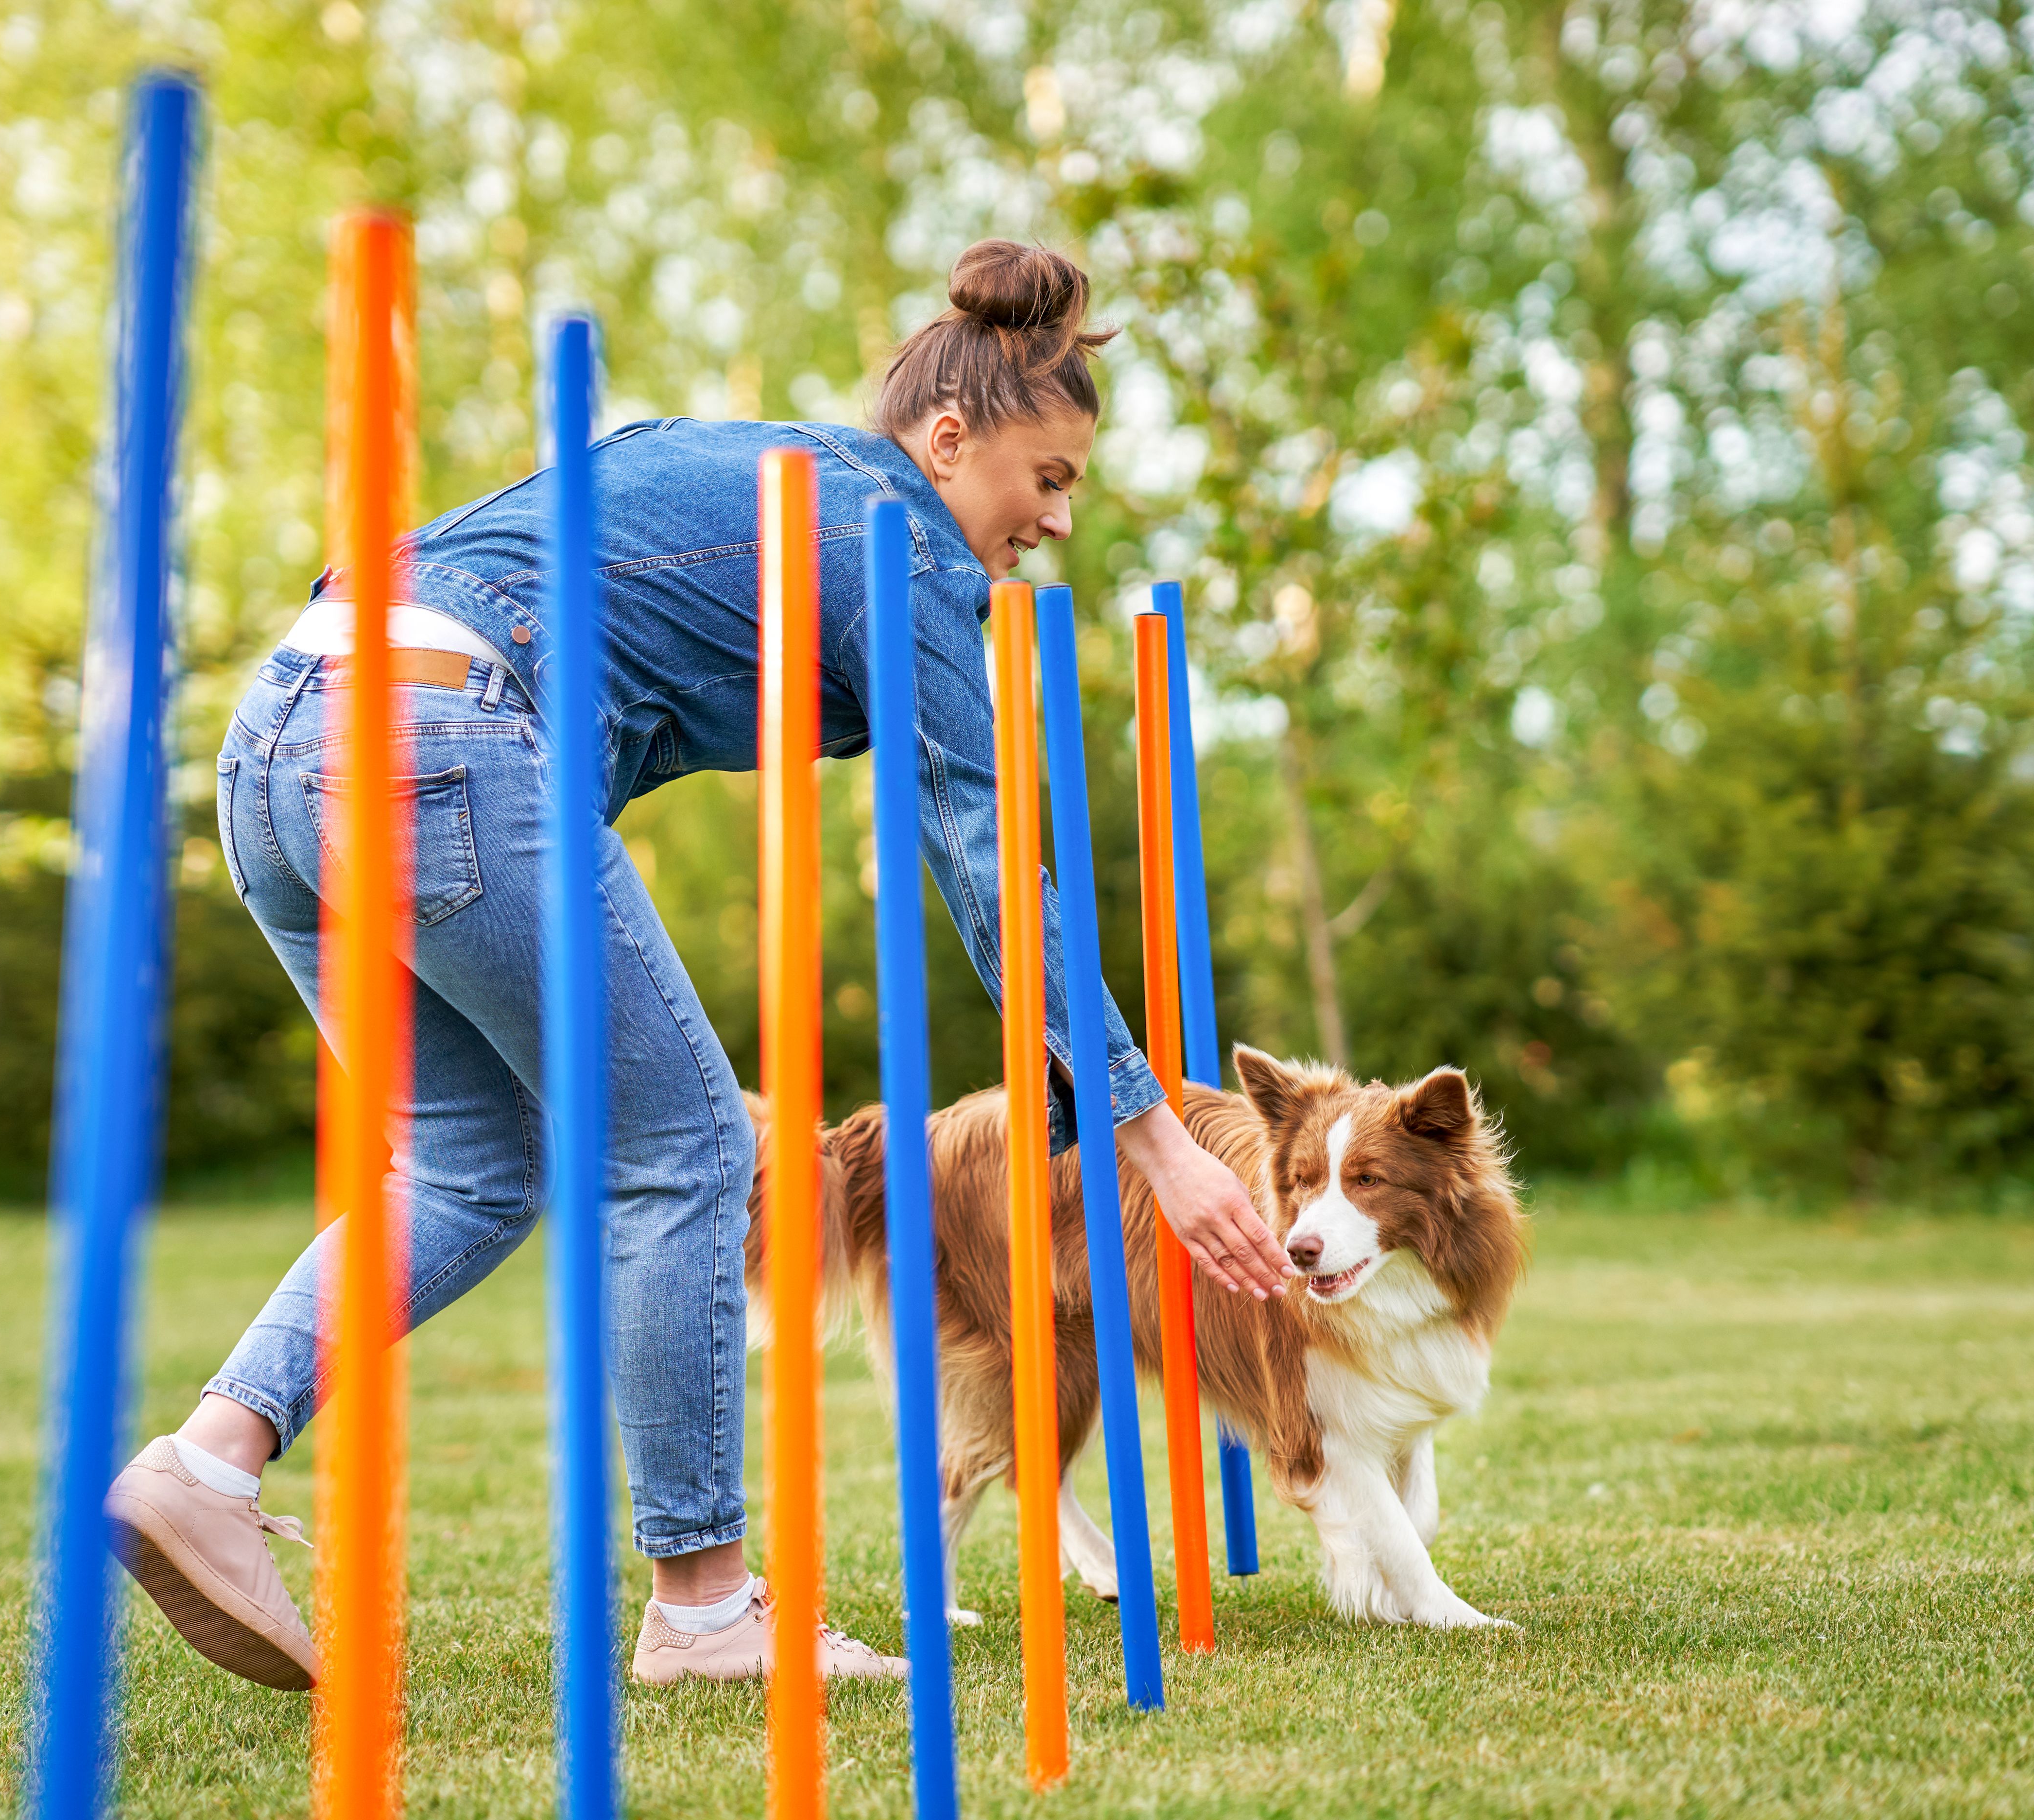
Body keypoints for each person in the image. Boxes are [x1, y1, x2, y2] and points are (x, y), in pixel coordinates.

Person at [104, 239, 1293, 1693]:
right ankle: (704, 1602)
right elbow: (987, 859)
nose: (1053, 520)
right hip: (435, 741)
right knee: (679, 1150)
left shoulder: (729, 458)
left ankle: (205, 1464)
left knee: (469, 1167)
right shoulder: (889, 533)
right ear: (946, 439)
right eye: (1044, 479)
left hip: (281, 741)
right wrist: (1151, 1134)